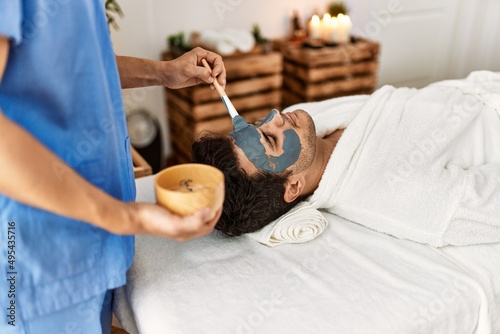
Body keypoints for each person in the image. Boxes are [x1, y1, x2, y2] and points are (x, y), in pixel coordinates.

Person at [0, 1, 225, 333]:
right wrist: (130, 217)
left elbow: (71, 65)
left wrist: (164, 72)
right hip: (40, 261)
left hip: (94, 250)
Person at [193, 71, 500, 247]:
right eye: (271, 138)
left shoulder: (306, 125)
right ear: (292, 187)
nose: (275, 117)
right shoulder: (394, 191)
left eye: (258, 122)